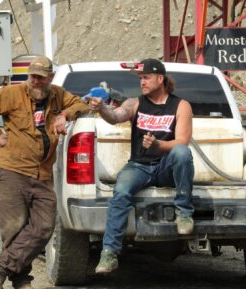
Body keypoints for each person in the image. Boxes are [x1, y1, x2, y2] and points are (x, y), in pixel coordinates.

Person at [0, 55, 90, 289]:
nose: (34, 81)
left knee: (45, 225)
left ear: (50, 77)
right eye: (31, 76)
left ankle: (0, 266)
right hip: (13, 169)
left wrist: (64, 115)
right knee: (14, 226)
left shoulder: (58, 95)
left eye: (40, 77)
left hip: (43, 173)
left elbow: (82, 104)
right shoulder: (12, 94)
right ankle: (21, 280)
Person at [89, 58, 195, 274]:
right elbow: (115, 117)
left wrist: (158, 144)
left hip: (166, 166)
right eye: (140, 78)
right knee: (120, 192)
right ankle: (109, 253)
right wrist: (101, 108)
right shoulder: (135, 103)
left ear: (160, 78)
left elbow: (182, 141)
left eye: (146, 77)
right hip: (139, 165)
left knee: (182, 153)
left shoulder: (180, 105)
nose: (142, 82)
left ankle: (184, 212)